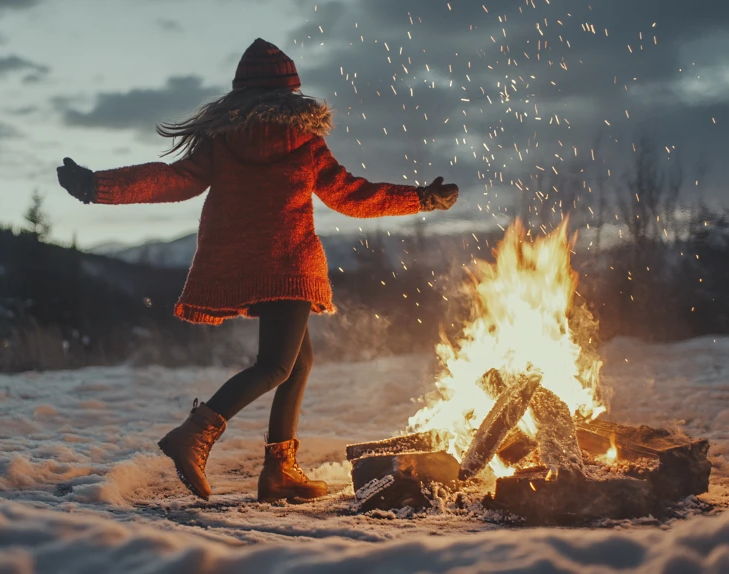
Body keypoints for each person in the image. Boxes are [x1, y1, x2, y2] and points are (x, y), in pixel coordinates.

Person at [56, 38, 459, 503]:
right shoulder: (306, 142)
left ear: (240, 93)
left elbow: (171, 180)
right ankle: (194, 434)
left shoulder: (223, 141)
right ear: (292, 92)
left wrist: (97, 185)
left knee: (297, 363)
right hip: (290, 265)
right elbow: (351, 195)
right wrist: (420, 198)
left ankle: (280, 470)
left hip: (245, 267)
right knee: (275, 365)